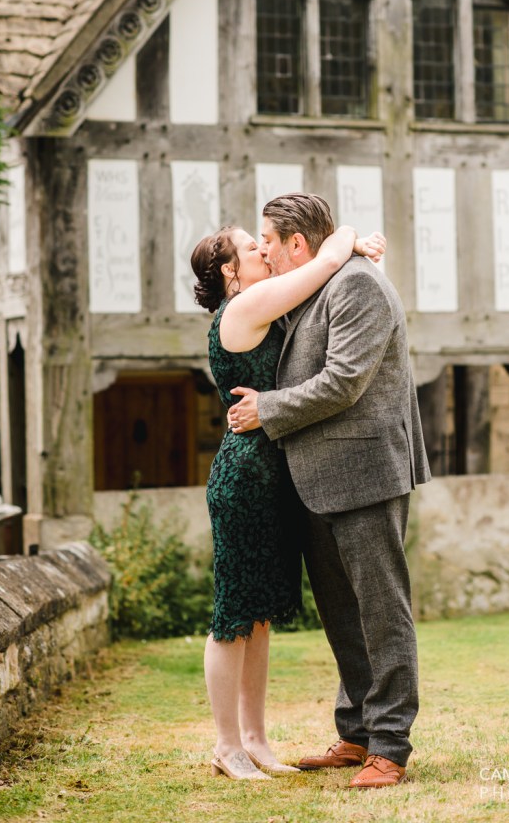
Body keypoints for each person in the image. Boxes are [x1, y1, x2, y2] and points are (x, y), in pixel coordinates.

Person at [228, 193, 431, 790]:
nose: (262, 249)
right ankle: (355, 733)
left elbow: (343, 382)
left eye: (269, 238)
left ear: (296, 242)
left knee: (381, 611)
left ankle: (389, 747)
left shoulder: (359, 286)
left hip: (367, 473)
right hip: (314, 479)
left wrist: (268, 409)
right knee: (342, 615)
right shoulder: (309, 285)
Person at [190, 222, 385, 782]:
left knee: (260, 618)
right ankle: (227, 745)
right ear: (231, 271)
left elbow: (320, 279)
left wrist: (361, 248)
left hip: (276, 476)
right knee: (233, 614)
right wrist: (347, 235)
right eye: (253, 248)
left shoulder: (263, 303)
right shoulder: (245, 306)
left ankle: (256, 740)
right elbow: (321, 265)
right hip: (246, 478)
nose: (264, 250)